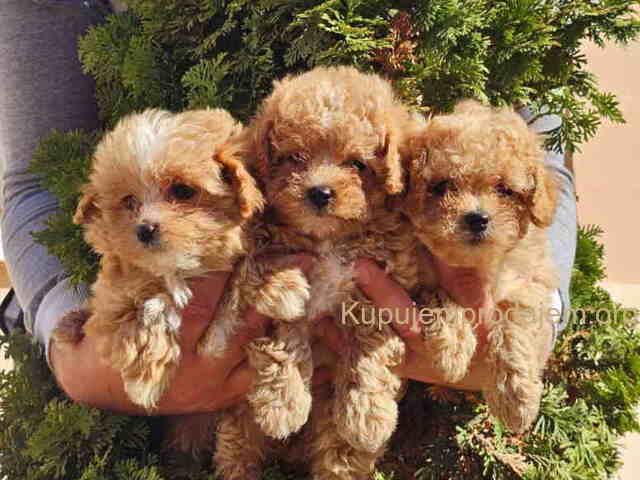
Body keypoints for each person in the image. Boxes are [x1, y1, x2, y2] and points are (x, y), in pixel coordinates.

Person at [0, 0, 577, 414]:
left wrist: (532, 315)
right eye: (292, 158)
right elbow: (34, 180)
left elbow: (538, 163)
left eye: (357, 164)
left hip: (452, 411)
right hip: (132, 396)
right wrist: (69, 344)